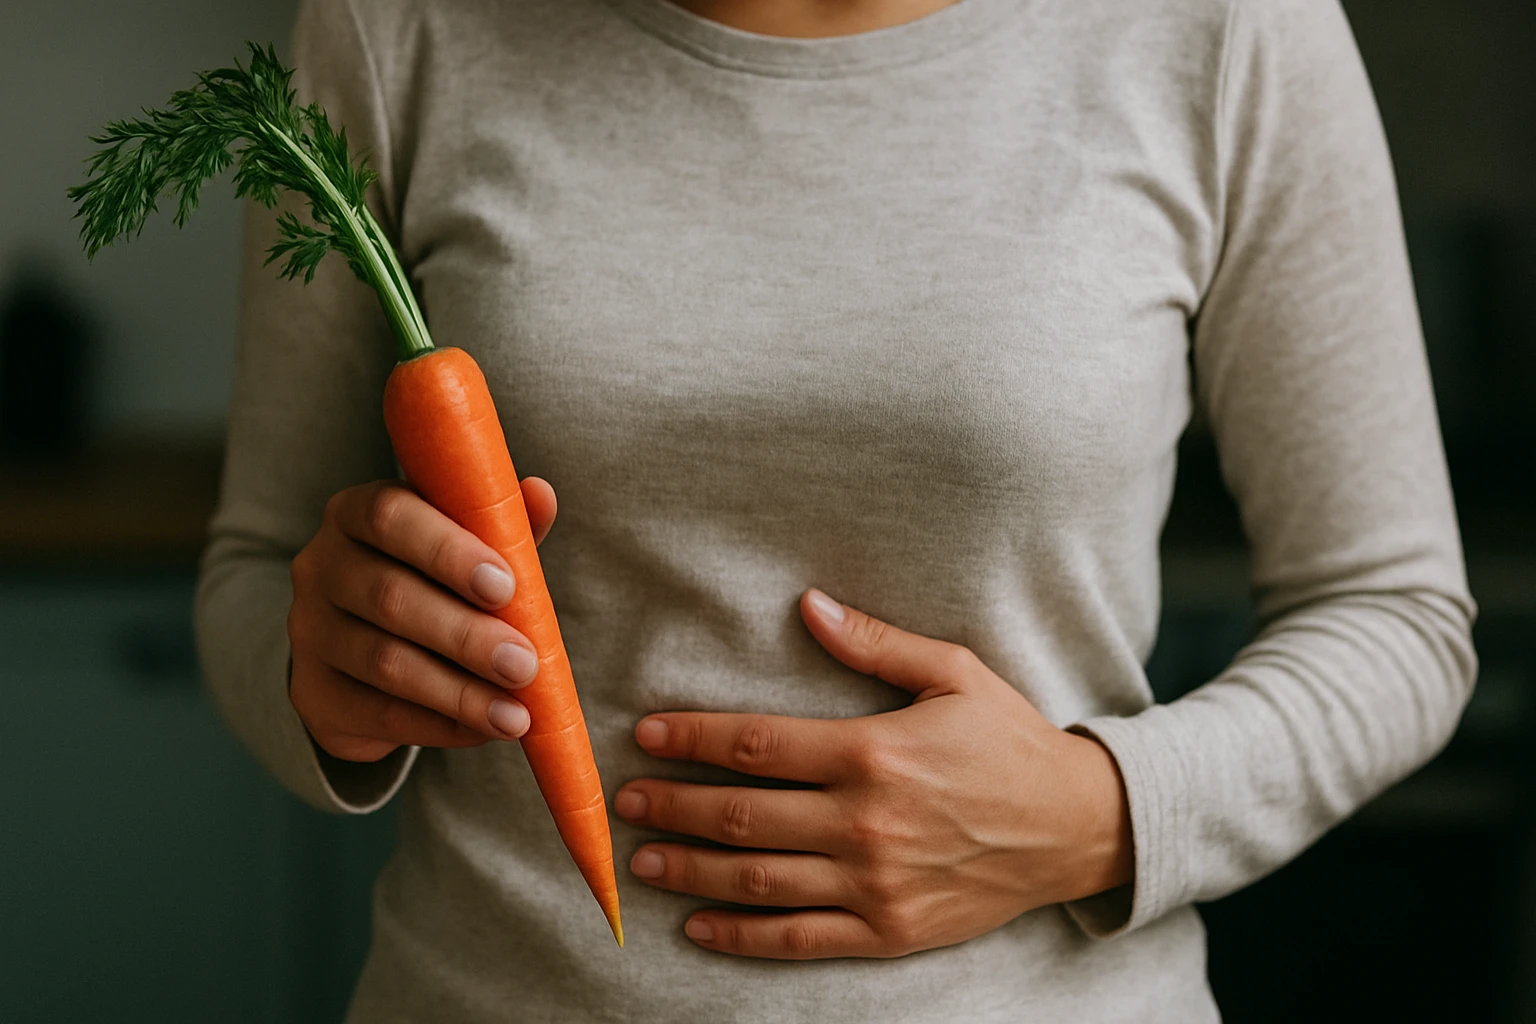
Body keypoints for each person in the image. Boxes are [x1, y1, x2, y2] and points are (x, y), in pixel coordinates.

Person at [194, 0, 1478, 1019]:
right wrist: (332, 672)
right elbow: (256, 570)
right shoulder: (393, 25)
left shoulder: (1226, 29)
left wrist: (1099, 812)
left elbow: (1397, 614)